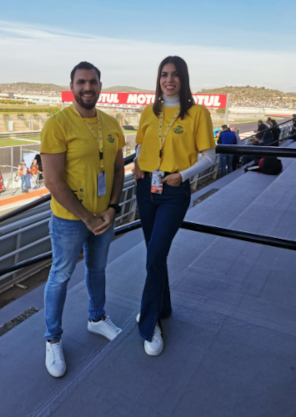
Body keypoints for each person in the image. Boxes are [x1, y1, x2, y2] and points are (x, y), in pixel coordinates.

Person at [41, 61, 125, 378]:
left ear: (100, 86)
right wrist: (86, 218)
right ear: (72, 86)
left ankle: (97, 318)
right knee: (60, 276)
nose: (87, 87)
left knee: (98, 268)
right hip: (70, 220)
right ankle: (52, 338)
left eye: (92, 82)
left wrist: (112, 208)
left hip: (104, 216)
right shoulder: (58, 125)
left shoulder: (112, 123)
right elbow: (53, 181)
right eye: (81, 82)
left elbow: (118, 171)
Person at [133, 56, 216, 356]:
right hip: (146, 188)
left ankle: (150, 321)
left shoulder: (197, 113)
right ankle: (162, 306)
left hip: (174, 189)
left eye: (175, 75)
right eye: (164, 75)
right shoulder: (147, 111)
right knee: (155, 253)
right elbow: (139, 144)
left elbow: (209, 156)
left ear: (184, 79)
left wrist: (182, 175)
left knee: (155, 254)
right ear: (158, 79)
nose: (169, 80)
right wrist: (136, 164)